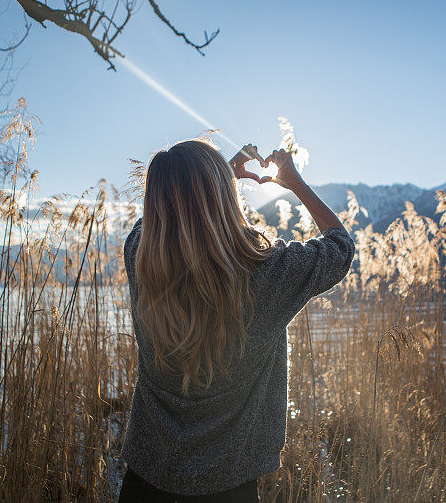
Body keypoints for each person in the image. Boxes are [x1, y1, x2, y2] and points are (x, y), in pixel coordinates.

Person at [119, 139, 355, 502]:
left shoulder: (140, 258)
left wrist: (216, 177)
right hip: (229, 487)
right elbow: (340, 247)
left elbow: (155, 221)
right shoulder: (268, 273)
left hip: (144, 482)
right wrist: (294, 182)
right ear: (222, 196)